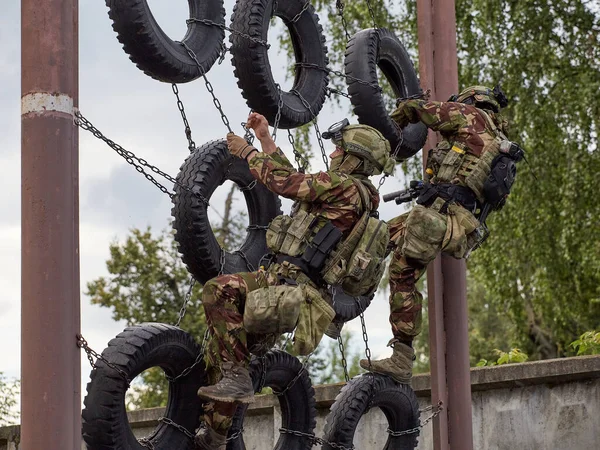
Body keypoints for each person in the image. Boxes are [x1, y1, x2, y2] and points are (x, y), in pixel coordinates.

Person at [194, 112, 395, 449]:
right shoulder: (350, 193)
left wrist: (246, 153)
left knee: (220, 292)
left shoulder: (343, 188)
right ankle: (215, 433)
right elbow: (294, 182)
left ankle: (231, 389)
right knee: (231, 348)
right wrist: (265, 138)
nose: (332, 154)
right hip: (283, 283)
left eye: (338, 150)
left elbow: (285, 183)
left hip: (291, 288)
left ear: (353, 159)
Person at [362, 85, 522, 384]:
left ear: (470, 102)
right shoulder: (497, 141)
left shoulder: (468, 115)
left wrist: (387, 134)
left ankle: (401, 357)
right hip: (455, 219)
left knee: (402, 270)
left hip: (439, 215)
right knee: (378, 236)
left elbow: (415, 109)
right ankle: (346, 302)